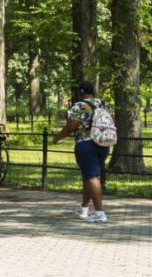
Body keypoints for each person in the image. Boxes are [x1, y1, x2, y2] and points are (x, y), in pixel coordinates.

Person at [53, 81, 110, 223]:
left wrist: (57, 138)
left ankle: (99, 213)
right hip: (103, 143)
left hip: (86, 144)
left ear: (81, 92)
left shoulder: (79, 106)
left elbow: (71, 127)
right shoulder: (104, 104)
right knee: (88, 176)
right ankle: (84, 208)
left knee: (92, 177)